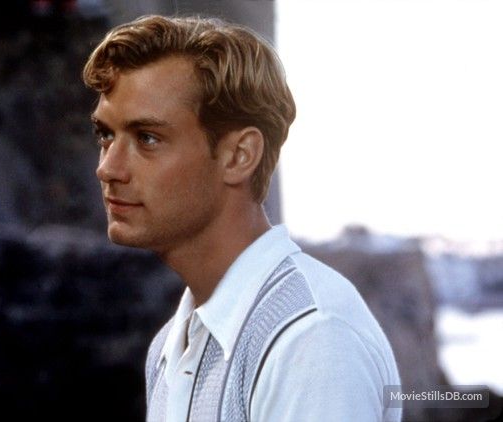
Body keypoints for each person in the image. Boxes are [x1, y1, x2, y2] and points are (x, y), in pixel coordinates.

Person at [82, 14, 402, 422]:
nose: (107, 168)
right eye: (106, 135)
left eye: (147, 138)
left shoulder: (311, 339)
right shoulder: (171, 347)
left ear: (239, 156)